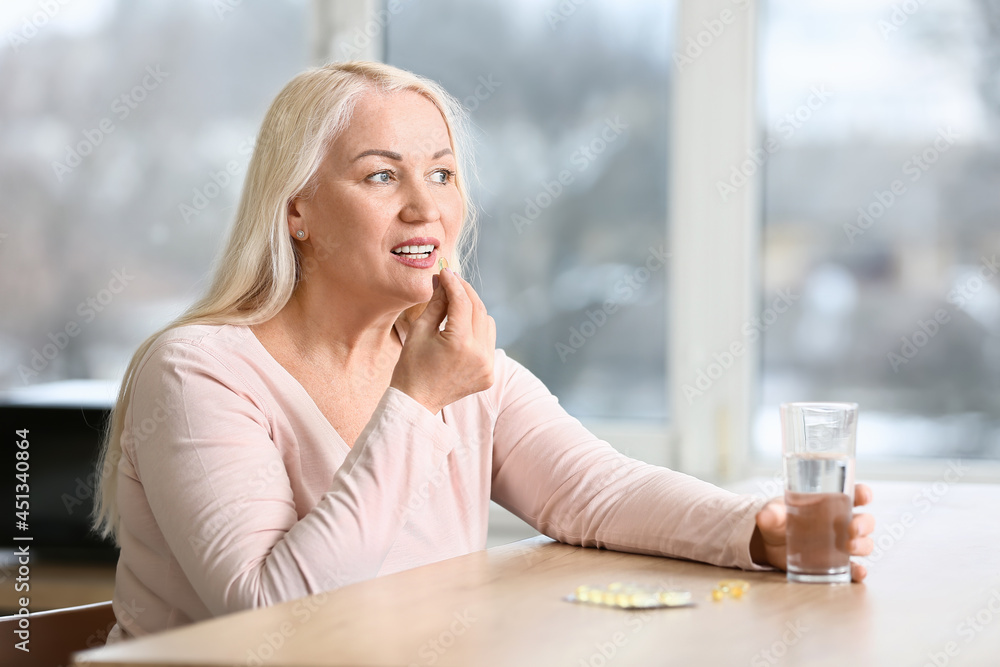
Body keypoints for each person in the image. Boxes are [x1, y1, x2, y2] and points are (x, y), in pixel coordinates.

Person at [92, 61, 875, 642]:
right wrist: (415, 402)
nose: (425, 206)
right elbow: (273, 613)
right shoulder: (199, 371)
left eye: (441, 173)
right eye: (380, 176)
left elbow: (594, 491)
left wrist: (754, 529)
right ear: (297, 211)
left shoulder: (450, 360)